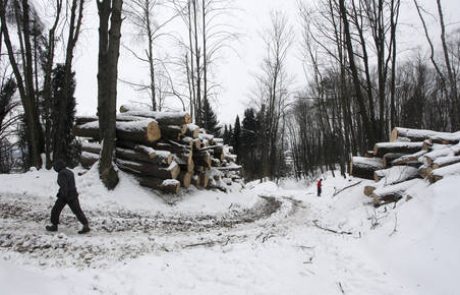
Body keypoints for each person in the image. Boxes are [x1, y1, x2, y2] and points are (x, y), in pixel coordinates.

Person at [46, 159, 90, 234]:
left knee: (55, 210)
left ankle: (54, 226)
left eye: (55, 166)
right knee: (77, 211)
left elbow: (64, 186)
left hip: (65, 195)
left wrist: (63, 195)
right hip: (73, 194)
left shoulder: (61, 173)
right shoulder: (70, 172)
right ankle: (85, 225)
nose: (54, 168)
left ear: (58, 166)